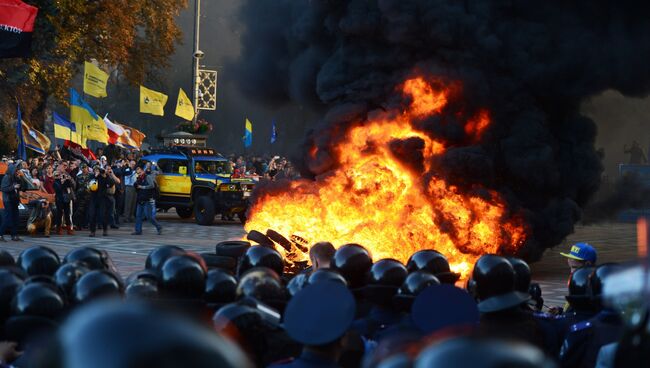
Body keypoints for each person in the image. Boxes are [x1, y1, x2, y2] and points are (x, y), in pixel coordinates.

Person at [132, 166, 162, 235]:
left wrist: (142, 187)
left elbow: (152, 186)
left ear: (142, 171)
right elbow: (137, 189)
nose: (138, 173)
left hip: (147, 200)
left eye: (139, 172)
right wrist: (136, 185)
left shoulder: (147, 177)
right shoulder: (138, 179)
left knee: (149, 217)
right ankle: (138, 230)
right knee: (138, 216)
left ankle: (158, 227)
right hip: (140, 199)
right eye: (137, 173)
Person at [88, 166, 114, 237]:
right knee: (92, 215)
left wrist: (106, 175)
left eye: (98, 170)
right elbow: (92, 187)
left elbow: (111, 183)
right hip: (94, 198)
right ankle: (92, 231)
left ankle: (105, 230)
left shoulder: (104, 177)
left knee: (103, 215)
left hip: (102, 198)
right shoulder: (91, 177)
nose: (97, 171)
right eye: (95, 170)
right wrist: (95, 177)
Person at [0, 164, 23, 242]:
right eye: (16, 170)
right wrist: (14, 187)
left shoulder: (15, 178)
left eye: (17, 170)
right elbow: (3, 188)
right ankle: (0, 235)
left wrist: (20, 179)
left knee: (15, 218)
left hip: (14, 200)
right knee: (8, 218)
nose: (17, 172)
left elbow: (22, 188)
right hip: (8, 200)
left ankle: (14, 235)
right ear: (12, 170)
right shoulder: (7, 177)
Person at [53, 166, 75, 235]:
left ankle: (69, 229)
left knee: (67, 214)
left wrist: (69, 179)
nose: (59, 176)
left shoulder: (65, 179)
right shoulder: (55, 182)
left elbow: (72, 186)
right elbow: (58, 189)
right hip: (59, 199)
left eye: (59, 174)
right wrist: (62, 182)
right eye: (57, 175)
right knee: (59, 214)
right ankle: (58, 229)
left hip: (66, 198)